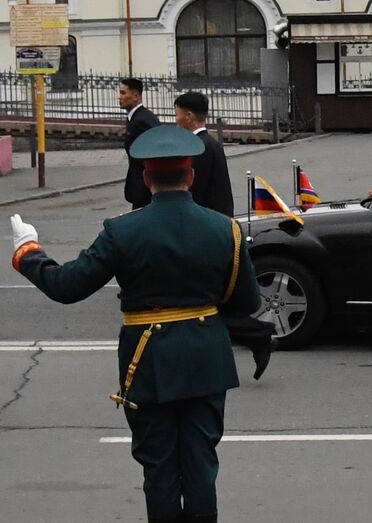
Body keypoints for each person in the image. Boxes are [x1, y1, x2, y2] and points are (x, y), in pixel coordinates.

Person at [9, 125, 261, 523]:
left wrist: (28, 252)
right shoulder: (225, 229)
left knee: (159, 470)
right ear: (191, 175)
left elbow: (67, 286)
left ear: (145, 178)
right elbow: (248, 302)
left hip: (148, 360)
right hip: (206, 360)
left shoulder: (122, 230)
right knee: (200, 469)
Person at [173, 91, 275, 380]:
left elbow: (196, 195)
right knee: (209, 301)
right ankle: (257, 336)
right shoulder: (207, 143)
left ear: (190, 116)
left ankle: (258, 334)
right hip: (216, 229)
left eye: (178, 112)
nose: (176, 118)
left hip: (206, 234)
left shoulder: (199, 146)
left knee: (202, 304)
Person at [120, 77, 161, 210]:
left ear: (136, 96)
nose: (119, 97)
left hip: (145, 189)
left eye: (123, 93)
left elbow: (150, 155)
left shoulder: (142, 120)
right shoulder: (135, 118)